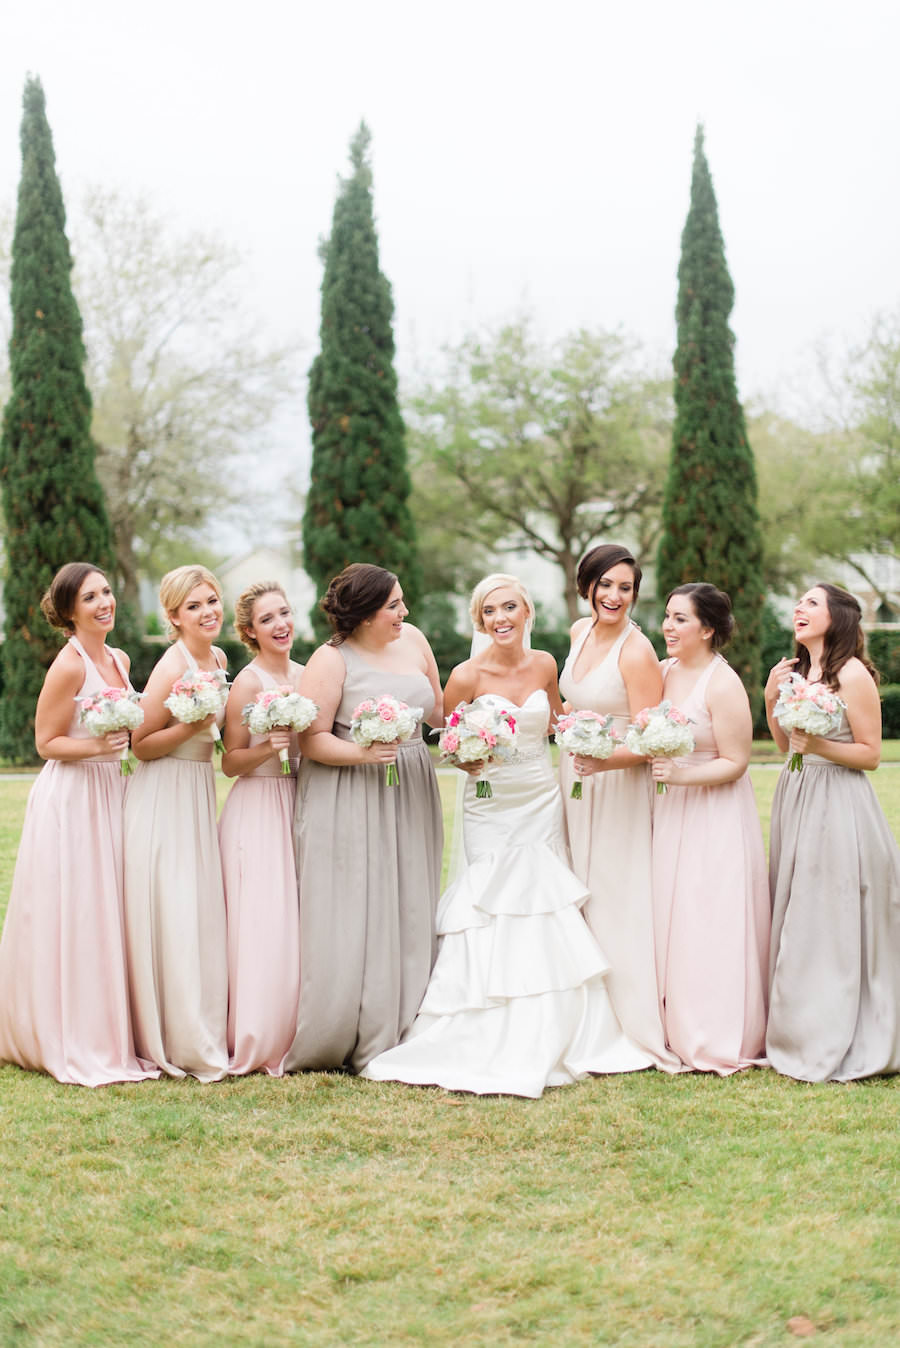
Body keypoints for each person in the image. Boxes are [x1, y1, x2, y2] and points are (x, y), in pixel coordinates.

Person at [363, 573, 653, 1097]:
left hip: (540, 795)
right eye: (490, 611)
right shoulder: (467, 675)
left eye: (510, 608)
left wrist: (584, 736)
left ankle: (559, 1022)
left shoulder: (545, 665)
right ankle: (483, 1017)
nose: (501, 618)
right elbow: (446, 741)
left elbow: (556, 722)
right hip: (491, 804)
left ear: (526, 613)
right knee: (492, 903)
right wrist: (468, 757)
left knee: (545, 898)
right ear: (480, 620)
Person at [283, 563, 443, 1074]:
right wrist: (363, 755)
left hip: (412, 781)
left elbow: (437, 713)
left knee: (411, 895)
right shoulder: (331, 661)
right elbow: (312, 739)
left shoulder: (415, 641)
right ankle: (356, 1024)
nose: (405, 612)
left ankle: (414, 1013)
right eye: (394, 605)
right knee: (362, 901)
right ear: (368, 613)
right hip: (353, 789)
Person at [0, 562, 155, 1085]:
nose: (105, 603)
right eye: (91, 597)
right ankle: (68, 1030)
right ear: (69, 612)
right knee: (80, 910)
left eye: (107, 591)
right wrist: (97, 745)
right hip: (74, 797)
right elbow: (45, 742)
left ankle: (118, 1024)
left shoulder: (120, 657)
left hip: (116, 790)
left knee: (114, 906)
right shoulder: (68, 667)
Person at [765, 583, 900, 1081]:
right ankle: (796, 1025)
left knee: (829, 911)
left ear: (838, 617)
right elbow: (786, 746)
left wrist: (819, 744)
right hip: (796, 794)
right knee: (799, 905)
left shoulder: (852, 674)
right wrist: (769, 694)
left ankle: (837, 1029)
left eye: (811, 603)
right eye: (797, 601)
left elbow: (871, 754)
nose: (799, 608)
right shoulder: (798, 672)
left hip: (839, 802)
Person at [559, 543, 679, 1071]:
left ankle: (626, 1019)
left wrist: (603, 762)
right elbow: (573, 701)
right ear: (586, 586)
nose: (614, 596)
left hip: (617, 783)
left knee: (613, 891)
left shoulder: (637, 652)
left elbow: (654, 737)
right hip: (575, 776)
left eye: (625, 587)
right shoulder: (577, 633)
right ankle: (581, 1010)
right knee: (576, 886)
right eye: (604, 585)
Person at [650, 583, 769, 1074]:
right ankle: (668, 1024)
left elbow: (736, 762)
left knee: (708, 915)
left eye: (680, 619)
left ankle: (715, 1030)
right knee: (669, 914)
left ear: (708, 629)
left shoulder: (723, 684)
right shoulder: (662, 672)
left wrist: (682, 775)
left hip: (714, 810)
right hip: (668, 809)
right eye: (668, 616)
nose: (668, 627)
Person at [122, 565, 229, 1081]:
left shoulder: (221, 658)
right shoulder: (173, 664)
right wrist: (189, 724)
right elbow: (139, 746)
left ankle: (200, 1022)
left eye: (211, 601)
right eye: (194, 606)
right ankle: (172, 1033)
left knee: (198, 910)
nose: (207, 612)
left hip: (197, 792)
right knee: (174, 909)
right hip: (163, 792)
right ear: (173, 616)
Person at [219, 581, 303, 1075]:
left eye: (285, 613)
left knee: (296, 915)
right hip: (256, 805)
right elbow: (230, 762)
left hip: (297, 800)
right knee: (262, 919)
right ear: (251, 631)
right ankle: (256, 1029)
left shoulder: (307, 673)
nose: (281, 625)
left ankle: (299, 1024)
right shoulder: (248, 683)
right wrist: (270, 746)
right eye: (268, 619)